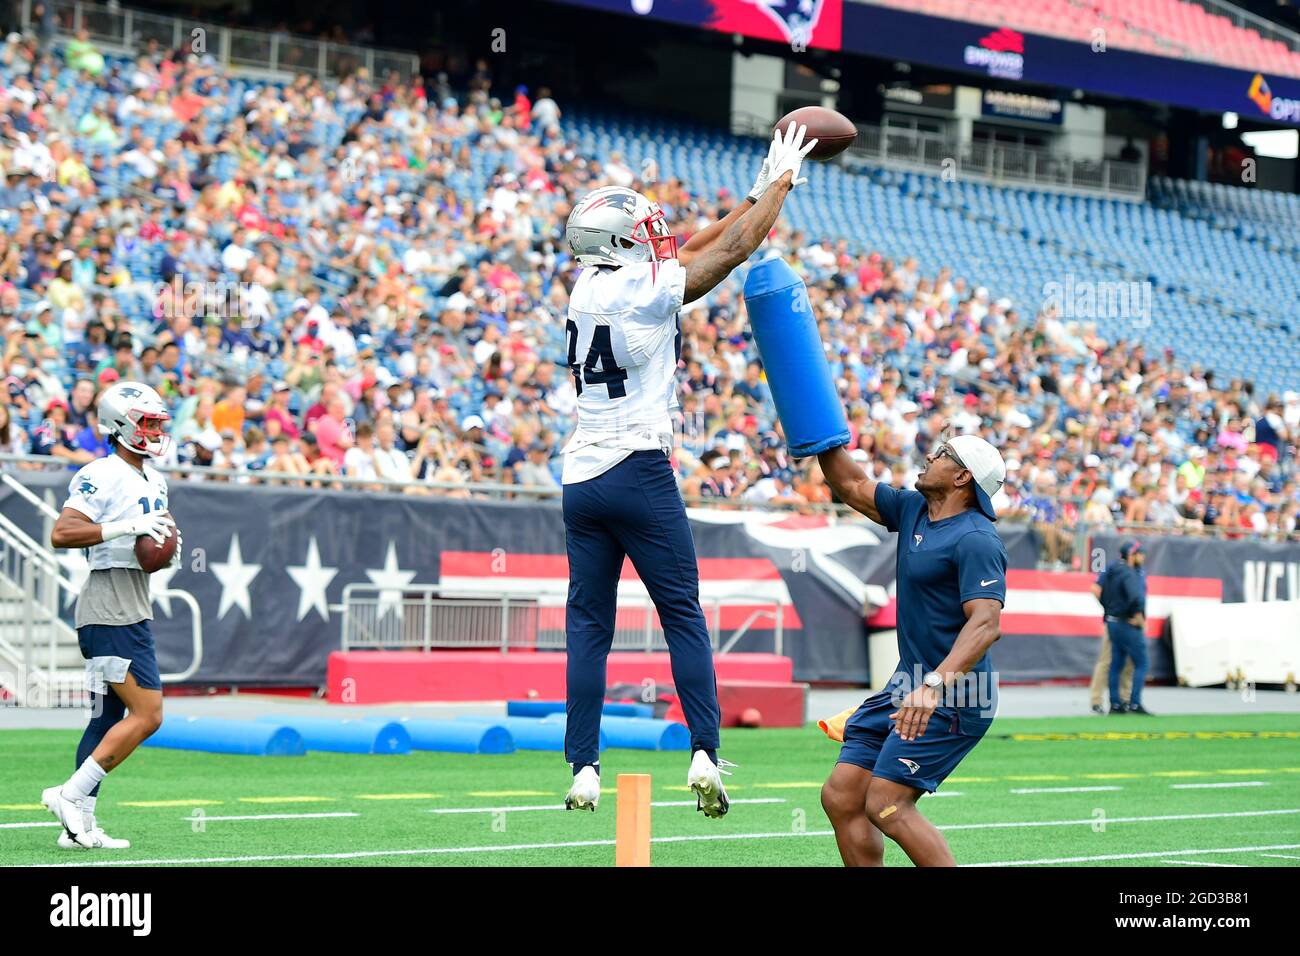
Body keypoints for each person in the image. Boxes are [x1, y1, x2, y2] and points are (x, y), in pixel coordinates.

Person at [558, 122, 818, 816]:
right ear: (619, 242)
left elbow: (696, 245)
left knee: (588, 624)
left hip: (581, 479)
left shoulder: (587, 286)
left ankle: (583, 765)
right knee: (683, 616)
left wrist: (754, 192)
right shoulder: (641, 291)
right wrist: (784, 184)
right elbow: (730, 251)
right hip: (638, 469)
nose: (654, 233)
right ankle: (704, 749)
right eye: (640, 227)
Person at [817, 433, 1008, 866]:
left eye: (943, 454)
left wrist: (935, 686)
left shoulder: (977, 539)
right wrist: (815, 433)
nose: (929, 455)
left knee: (885, 802)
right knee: (842, 795)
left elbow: (986, 623)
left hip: (957, 695)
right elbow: (850, 486)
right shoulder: (914, 510)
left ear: (963, 477)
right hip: (906, 685)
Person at [42, 381, 180, 849]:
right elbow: (62, 532)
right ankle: (69, 794)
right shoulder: (100, 472)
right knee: (150, 713)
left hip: (132, 599)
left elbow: (146, 547)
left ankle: (77, 827)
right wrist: (127, 526)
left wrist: (165, 549)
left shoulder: (154, 479)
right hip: (109, 603)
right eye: (147, 422)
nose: (155, 431)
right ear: (121, 424)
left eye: (158, 423)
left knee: (106, 719)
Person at [1095, 539, 1152, 714]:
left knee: (1116, 664)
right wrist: (1137, 616)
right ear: (1130, 555)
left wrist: (1109, 611)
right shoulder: (1129, 573)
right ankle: (1134, 702)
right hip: (1126, 623)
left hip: (1112, 621)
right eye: (1138, 554)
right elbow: (1137, 598)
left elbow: (1101, 593)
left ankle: (1115, 703)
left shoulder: (1112, 570)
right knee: (1142, 663)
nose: (1141, 557)